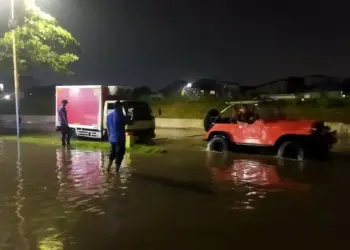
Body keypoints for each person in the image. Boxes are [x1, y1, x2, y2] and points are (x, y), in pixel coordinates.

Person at [106, 101, 126, 172]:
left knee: (112, 153)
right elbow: (127, 122)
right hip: (120, 138)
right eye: (121, 106)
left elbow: (108, 128)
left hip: (112, 139)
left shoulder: (108, 116)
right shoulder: (120, 114)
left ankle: (108, 167)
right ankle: (117, 170)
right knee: (120, 154)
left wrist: (110, 137)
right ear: (119, 106)